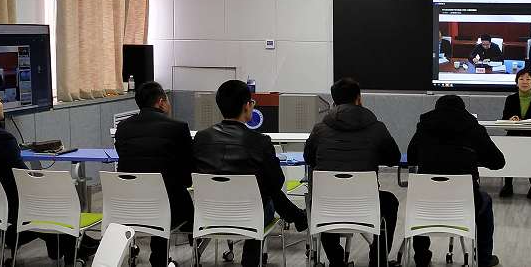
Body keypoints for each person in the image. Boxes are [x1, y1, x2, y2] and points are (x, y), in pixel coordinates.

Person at [0, 87, 75, 266]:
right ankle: (71, 249)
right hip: (11, 207)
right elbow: (24, 176)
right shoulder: (1, 138)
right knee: (59, 199)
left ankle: (68, 243)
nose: (2, 104)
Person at [192, 80, 308, 267]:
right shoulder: (260, 141)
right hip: (251, 216)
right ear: (247, 106)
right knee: (266, 196)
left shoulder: (201, 138)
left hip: (209, 214)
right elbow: (277, 181)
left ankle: (297, 217)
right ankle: (252, 259)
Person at [304, 78, 401, 267]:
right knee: (390, 202)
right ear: (360, 100)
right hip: (367, 204)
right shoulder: (377, 128)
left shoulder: (320, 129)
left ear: (333, 104)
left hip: (329, 205)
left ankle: (336, 261)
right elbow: (394, 159)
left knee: (319, 202)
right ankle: (377, 261)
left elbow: (309, 159)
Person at [407, 94, 505, 267]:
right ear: (463, 110)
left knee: (418, 202)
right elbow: (498, 162)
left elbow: (411, 158)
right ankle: (484, 258)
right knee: (485, 199)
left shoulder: (423, 128)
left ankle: (422, 258)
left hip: (426, 203)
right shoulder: (476, 130)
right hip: (465, 204)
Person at [114, 81, 194, 267]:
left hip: (127, 206)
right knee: (174, 197)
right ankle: (187, 251)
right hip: (167, 208)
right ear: (161, 102)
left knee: (159, 195)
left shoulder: (123, 127)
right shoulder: (179, 128)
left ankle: (158, 258)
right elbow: (187, 174)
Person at [498, 68, 531, 199]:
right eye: (521, 79)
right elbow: (504, 120)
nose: (524, 82)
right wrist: (510, 120)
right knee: (508, 156)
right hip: (514, 137)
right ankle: (508, 185)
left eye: (528, 79)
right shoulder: (511, 99)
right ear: (517, 83)